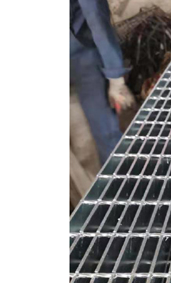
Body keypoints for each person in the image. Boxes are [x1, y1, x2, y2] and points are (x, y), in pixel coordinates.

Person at [70, 0, 134, 165]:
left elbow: (95, 18)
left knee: (105, 129)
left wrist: (114, 74)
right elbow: (97, 19)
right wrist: (116, 77)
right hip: (79, 50)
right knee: (105, 130)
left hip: (79, 50)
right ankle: (118, 173)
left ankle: (116, 171)